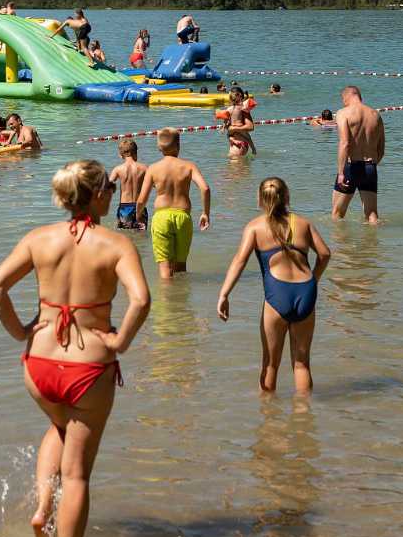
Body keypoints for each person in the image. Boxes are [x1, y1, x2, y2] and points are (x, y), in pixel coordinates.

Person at [0, 160, 151, 537]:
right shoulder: (116, 244)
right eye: (108, 187)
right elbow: (141, 300)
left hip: (39, 366)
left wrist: (20, 331)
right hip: (88, 370)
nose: (112, 192)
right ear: (95, 196)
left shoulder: (38, 238)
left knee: (61, 428)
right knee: (77, 475)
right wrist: (119, 342)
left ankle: (43, 506)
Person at [216, 178, 332, 394]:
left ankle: (270, 419)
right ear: (287, 197)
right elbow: (325, 254)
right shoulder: (304, 224)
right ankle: (303, 418)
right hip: (306, 291)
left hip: (277, 295)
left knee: (270, 364)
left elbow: (239, 261)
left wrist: (224, 294)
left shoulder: (255, 227)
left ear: (259, 200)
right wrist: (314, 280)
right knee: (302, 363)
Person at [136, 128, 211, 279]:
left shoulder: (153, 168)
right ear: (179, 145)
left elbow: (141, 200)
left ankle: (167, 301)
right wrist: (205, 213)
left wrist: (138, 216)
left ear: (159, 147)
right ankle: (181, 300)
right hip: (183, 217)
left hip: (161, 218)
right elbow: (205, 188)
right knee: (181, 267)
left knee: (165, 268)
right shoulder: (189, 166)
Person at [331, 85, 385, 224]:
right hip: (370, 167)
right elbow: (381, 149)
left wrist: (341, 173)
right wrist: (370, 166)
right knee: (372, 215)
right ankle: (373, 245)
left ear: (347, 96)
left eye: (343, 99)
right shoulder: (375, 115)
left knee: (337, 214)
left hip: (351, 167)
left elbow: (345, 143)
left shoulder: (343, 113)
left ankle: (340, 246)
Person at [109, 139, 148, 230]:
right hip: (140, 207)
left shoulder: (118, 169)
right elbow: (156, 185)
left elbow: (107, 186)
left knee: (126, 237)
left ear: (120, 155)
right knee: (141, 237)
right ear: (136, 152)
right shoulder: (144, 168)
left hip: (124, 208)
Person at [222, 87, 256, 156]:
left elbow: (225, 119)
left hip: (232, 129)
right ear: (240, 97)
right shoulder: (243, 108)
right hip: (240, 128)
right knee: (248, 138)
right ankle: (254, 149)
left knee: (229, 135)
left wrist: (223, 127)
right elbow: (250, 127)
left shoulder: (229, 109)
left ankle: (233, 141)